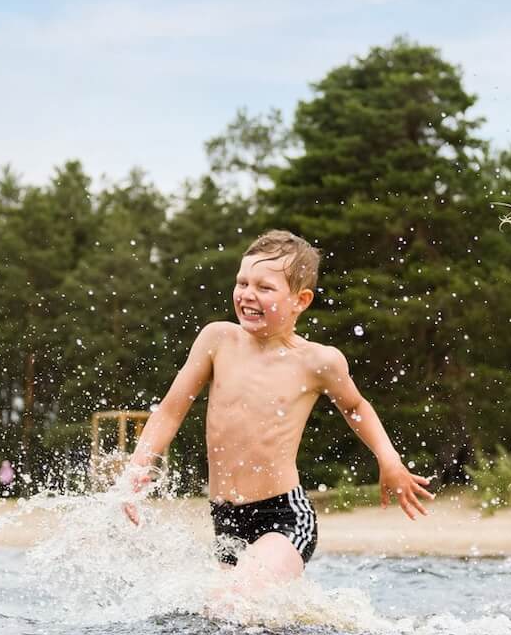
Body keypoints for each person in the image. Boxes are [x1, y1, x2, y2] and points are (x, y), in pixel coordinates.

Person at [119, 229, 434, 593]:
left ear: (300, 300)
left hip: (284, 515)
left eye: (265, 288)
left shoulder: (317, 361)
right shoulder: (217, 340)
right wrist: (138, 465)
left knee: (233, 600)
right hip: (225, 519)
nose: (248, 294)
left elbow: (355, 406)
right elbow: (171, 411)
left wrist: (389, 459)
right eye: (242, 282)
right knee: (231, 624)